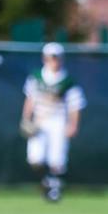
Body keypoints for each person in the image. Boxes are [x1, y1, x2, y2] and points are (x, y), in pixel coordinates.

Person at [21, 42, 85, 203]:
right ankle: (47, 182)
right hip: (39, 121)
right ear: (45, 59)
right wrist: (26, 118)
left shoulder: (68, 81)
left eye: (56, 58)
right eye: (51, 58)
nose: (54, 61)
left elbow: (75, 105)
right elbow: (30, 99)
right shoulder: (36, 76)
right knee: (35, 159)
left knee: (57, 160)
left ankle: (53, 191)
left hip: (58, 121)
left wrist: (73, 124)